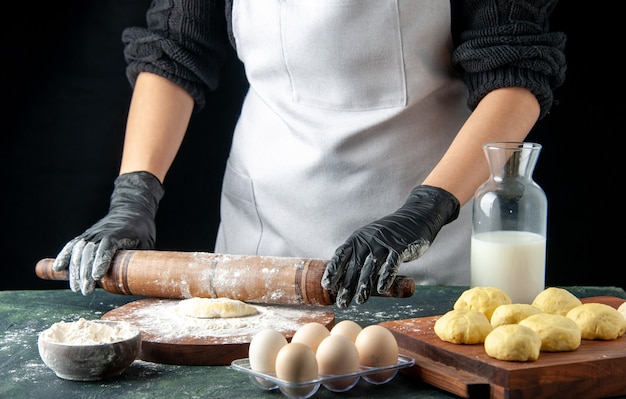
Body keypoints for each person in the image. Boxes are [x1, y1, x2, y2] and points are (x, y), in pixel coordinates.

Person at [52, 0, 566, 308]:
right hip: (264, 245)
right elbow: (172, 50)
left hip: (427, 243)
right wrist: (134, 194)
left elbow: (515, 73)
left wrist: (425, 211)